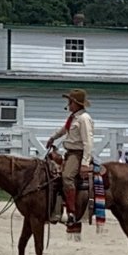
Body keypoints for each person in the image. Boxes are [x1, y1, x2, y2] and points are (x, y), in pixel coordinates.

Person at [45, 89, 94, 231]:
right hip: (70, 153)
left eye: (70, 102)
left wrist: (85, 163)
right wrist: (53, 137)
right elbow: (63, 130)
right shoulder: (74, 118)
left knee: (67, 177)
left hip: (77, 154)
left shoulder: (84, 119)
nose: (68, 104)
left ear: (77, 103)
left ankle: (72, 212)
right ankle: (56, 210)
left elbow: (88, 142)